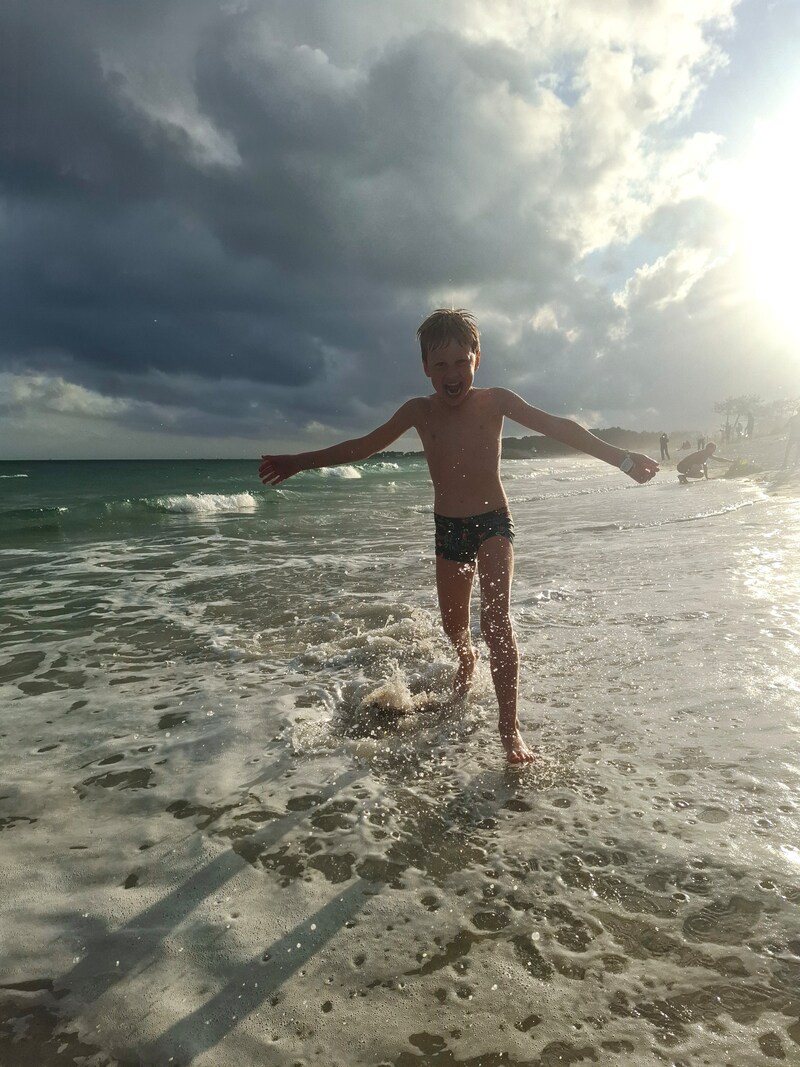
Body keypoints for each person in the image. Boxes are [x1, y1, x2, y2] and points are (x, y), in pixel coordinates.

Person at [259, 309, 659, 764]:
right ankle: (466, 661)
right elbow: (363, 446)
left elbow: (558, 427)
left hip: (493, 523)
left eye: (460, 362)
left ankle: (509, 730)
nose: (452, 374)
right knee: (455, 628)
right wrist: (299, 462)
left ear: (477, 359)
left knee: (495, 620)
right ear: (426, 368)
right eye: (441, 365)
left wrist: (622, 459)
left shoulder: (496, 401)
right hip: (448, 530)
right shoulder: (419, 411)